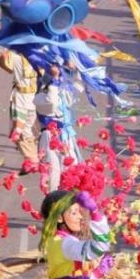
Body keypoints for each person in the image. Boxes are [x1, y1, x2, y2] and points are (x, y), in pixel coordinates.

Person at [34, 64, 81, 193]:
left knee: (72, 169)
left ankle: (69, 203)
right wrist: (53, 79)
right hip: (49, 137)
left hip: (65, 136)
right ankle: (53, 203)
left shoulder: (61, 93)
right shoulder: (39, 97)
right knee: (53, 172)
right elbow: (51, 104)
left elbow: (76, 90)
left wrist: (75, 68)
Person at [0, 48, 40, 175]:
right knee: (31, 129)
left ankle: (32, 160)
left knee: (20, 132)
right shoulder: (41, 55)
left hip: (22, 98)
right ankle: (32, 159)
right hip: (36, 98)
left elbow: (6, 67)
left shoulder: (14, 56)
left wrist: (2, 57)